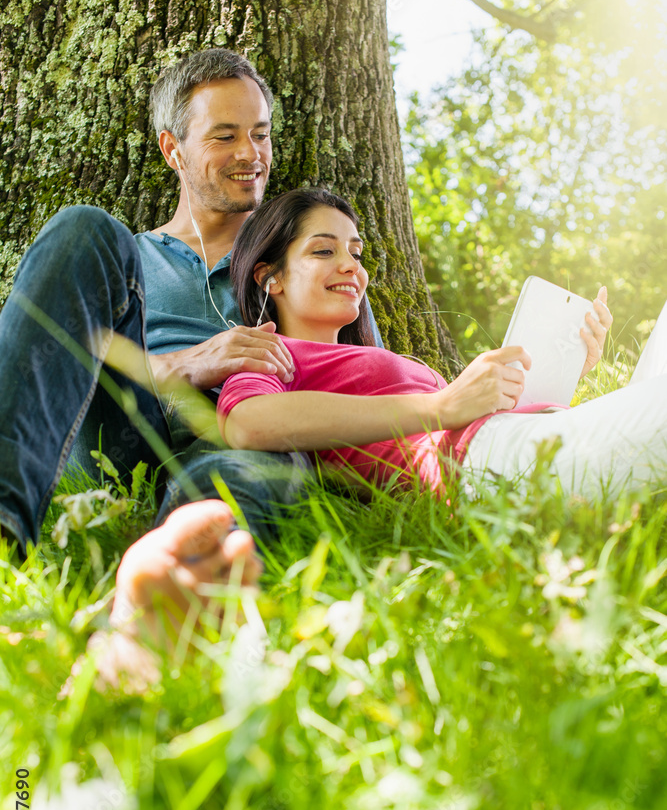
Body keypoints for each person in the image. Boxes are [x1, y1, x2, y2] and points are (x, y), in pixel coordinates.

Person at [0, 48, 384, 559]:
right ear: (173, 149)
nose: (250, 154)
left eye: (261, 134)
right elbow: (59, 372)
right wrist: (186, 365)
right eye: (225, 136)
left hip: (244, 441)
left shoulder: (313, 263)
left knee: (241, 467)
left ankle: (182, 576)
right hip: (121, 440)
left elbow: (374, 392)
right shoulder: (122, 259)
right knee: (81, 228)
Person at [217, 187, 667, 502]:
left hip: (528, 436)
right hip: (476, 463)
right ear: (270, 278)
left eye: (355, 253)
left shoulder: (378, 359)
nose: (351, 266)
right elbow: (245, 424)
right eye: (323, 251)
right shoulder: (269, 355)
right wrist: (441, 406)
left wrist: (566, 367)